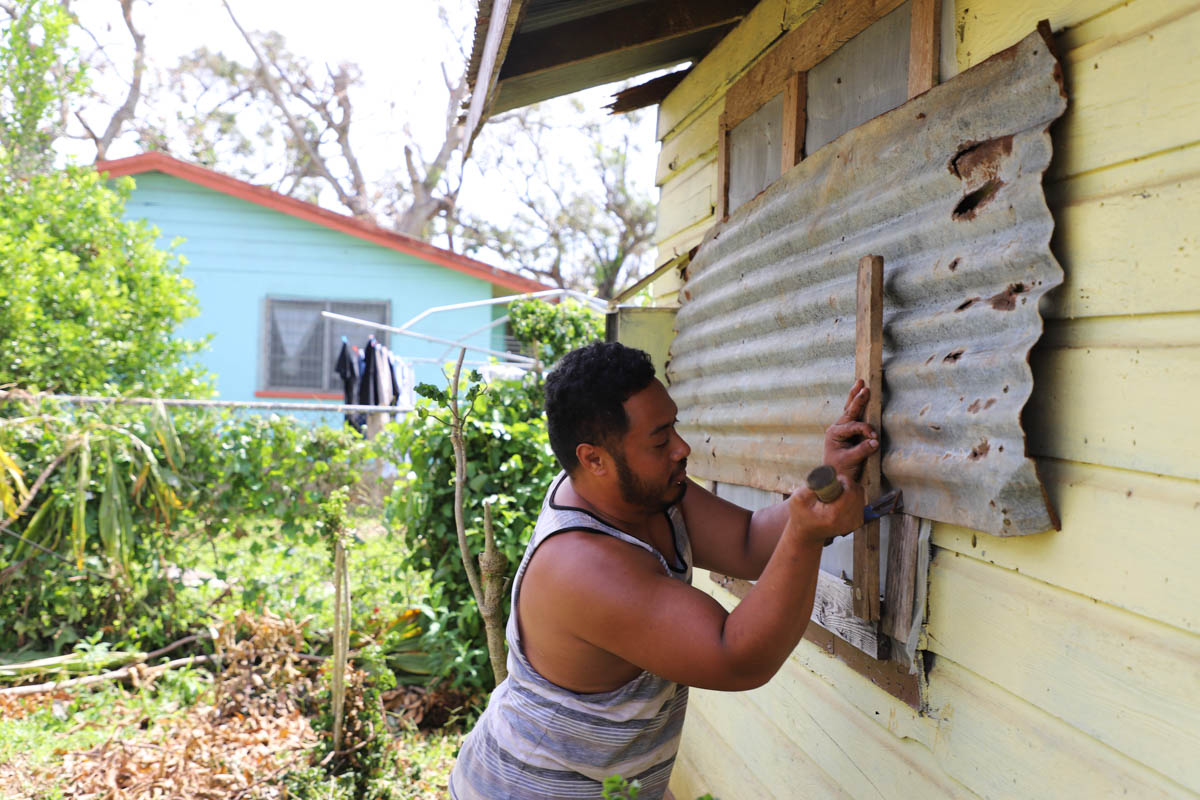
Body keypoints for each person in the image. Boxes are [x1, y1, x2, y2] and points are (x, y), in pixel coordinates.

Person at [449, 342, 878, 800]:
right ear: (593, 458)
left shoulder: (640, 490)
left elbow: (748, 541)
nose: (681, 448)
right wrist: (806, 536)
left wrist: (827, 478)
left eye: (673, 427)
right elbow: (737, 658)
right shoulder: (583, 568)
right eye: (659, 440)